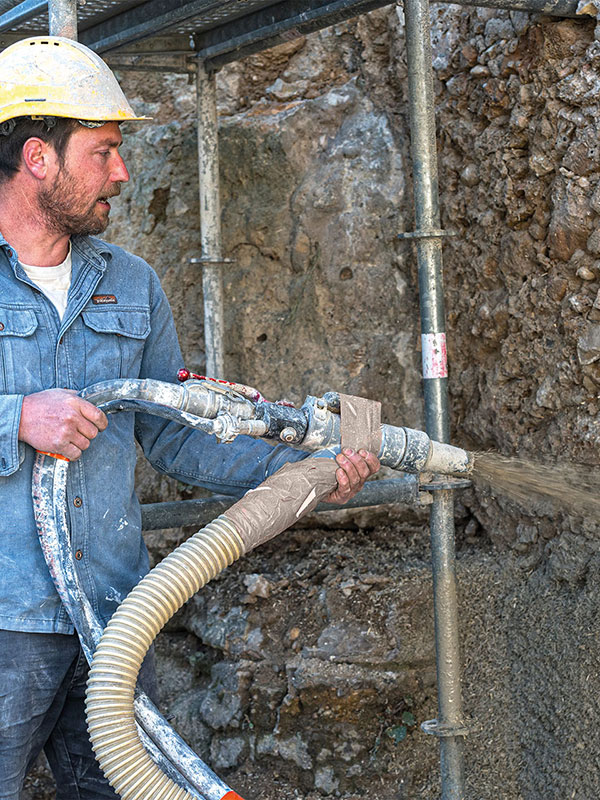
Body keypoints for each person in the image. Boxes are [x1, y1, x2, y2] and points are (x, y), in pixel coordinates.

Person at [0, 35, 380, 798]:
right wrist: (14, 418)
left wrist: (310, 464)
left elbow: (175, 433)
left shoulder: (131, 283)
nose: (122, 171)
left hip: (113, 620)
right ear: (39, 157)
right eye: (103, 151)